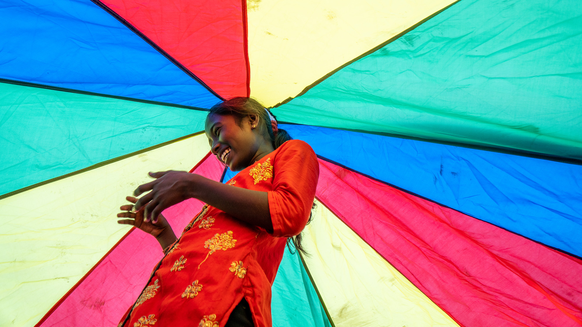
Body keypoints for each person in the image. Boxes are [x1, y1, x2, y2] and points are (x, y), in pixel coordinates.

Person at [116, 97, 319, 327]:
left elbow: (289, 213)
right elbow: (197, 264)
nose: (213, 147)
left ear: (252, 119)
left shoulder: (294, 151)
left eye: (217, 131)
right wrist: (163, 234)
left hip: (222, 305)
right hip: (162, 308)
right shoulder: (225, 195)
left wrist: (192, 185)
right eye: (210, 141)